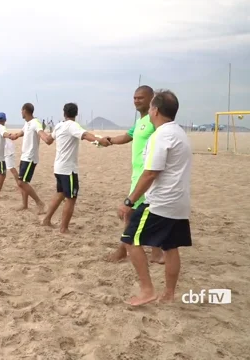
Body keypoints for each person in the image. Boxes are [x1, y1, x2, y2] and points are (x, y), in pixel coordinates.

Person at [117, 89, 191, 306]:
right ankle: (168, 294)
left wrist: (129, 201)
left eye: (150, 107)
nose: (148, 111)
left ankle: (147, 290)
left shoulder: (161, 135)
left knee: (130, 239)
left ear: (155, 110)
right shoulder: (179, 133)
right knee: (170, 246)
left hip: (160, 203)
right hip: (179, 203)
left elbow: (150, 173)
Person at [102, 85, 164, 264]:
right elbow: (128, 137)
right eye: (135, 98)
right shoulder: (140, 122)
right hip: (137, 173)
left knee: (130, 213)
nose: (136, 100)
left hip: (146, 172)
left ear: (151, 98)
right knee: (150, 211)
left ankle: (123, 250)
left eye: (141, 98)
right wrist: (109, 141)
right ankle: (156, 253)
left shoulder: (154, 121)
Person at [41, 103, 110, 233]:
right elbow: (84, 135)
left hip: (58, 167)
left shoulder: (59, 125)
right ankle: (63, 228)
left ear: (64, 113)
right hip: (68, 169)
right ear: (76, 114)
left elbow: (49, 140)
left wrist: (40, 132)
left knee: (60, 193)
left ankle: (46, 220)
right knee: (71, 198)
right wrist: (98, 140)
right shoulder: (72, 126)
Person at [8, 103, 52, 214]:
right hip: (24, 156)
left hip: (30, 157)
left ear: (25, 110)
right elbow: (22, 132)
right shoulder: (27, 123)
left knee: (21, 182)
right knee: (23, 181)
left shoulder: (35, 123)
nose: (21, 112)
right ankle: (24, 204)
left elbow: (40, 132)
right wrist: (14, 136)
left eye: (21, 110)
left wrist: (46, 138)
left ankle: (39, 203)